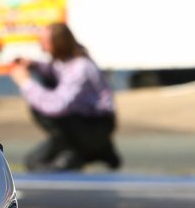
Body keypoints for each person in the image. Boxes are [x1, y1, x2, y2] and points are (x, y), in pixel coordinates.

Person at [8, 22, 118, 173]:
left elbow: (56, 106)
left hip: (95, 124)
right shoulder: (65, 60)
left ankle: (86, 149)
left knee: (40, 107)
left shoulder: (80, 67)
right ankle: (92, 150)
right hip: (80, 119)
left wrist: (25, 82)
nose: (42, 47)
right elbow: (54, 71)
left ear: (58, 43)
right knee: (33, 161)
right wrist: (33, 65)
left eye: (45, 42)